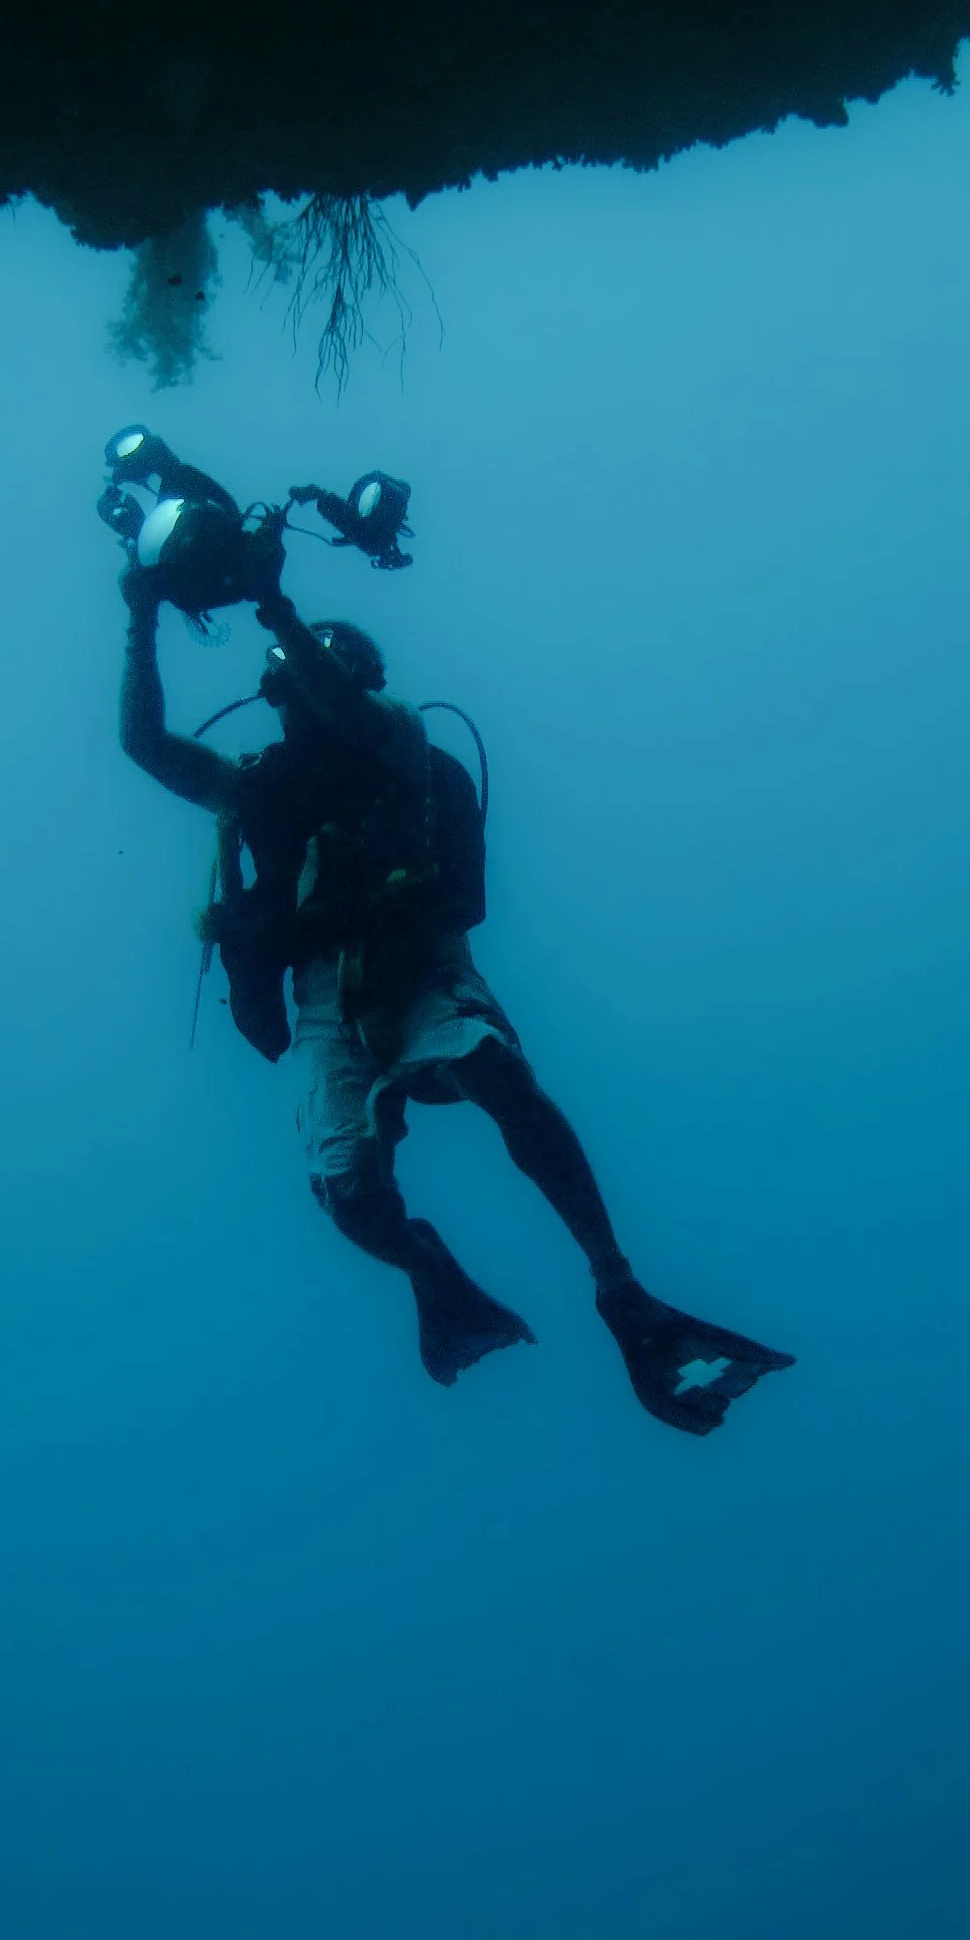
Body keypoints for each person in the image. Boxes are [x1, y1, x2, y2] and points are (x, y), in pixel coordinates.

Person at [117, 512, 793, 1435]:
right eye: (290, 683)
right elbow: (147, 746)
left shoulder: (395, 742)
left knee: (495, 1073)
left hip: (421, 961)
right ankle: (430, 1271)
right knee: (346, 1195)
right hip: (324, 996)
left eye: (323, 674)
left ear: (356, 681)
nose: (304, 700)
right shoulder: (253, 786)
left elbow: (351, 717)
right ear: (273, 694)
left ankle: (618, 1288)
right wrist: (139, 614)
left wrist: (275, 603)